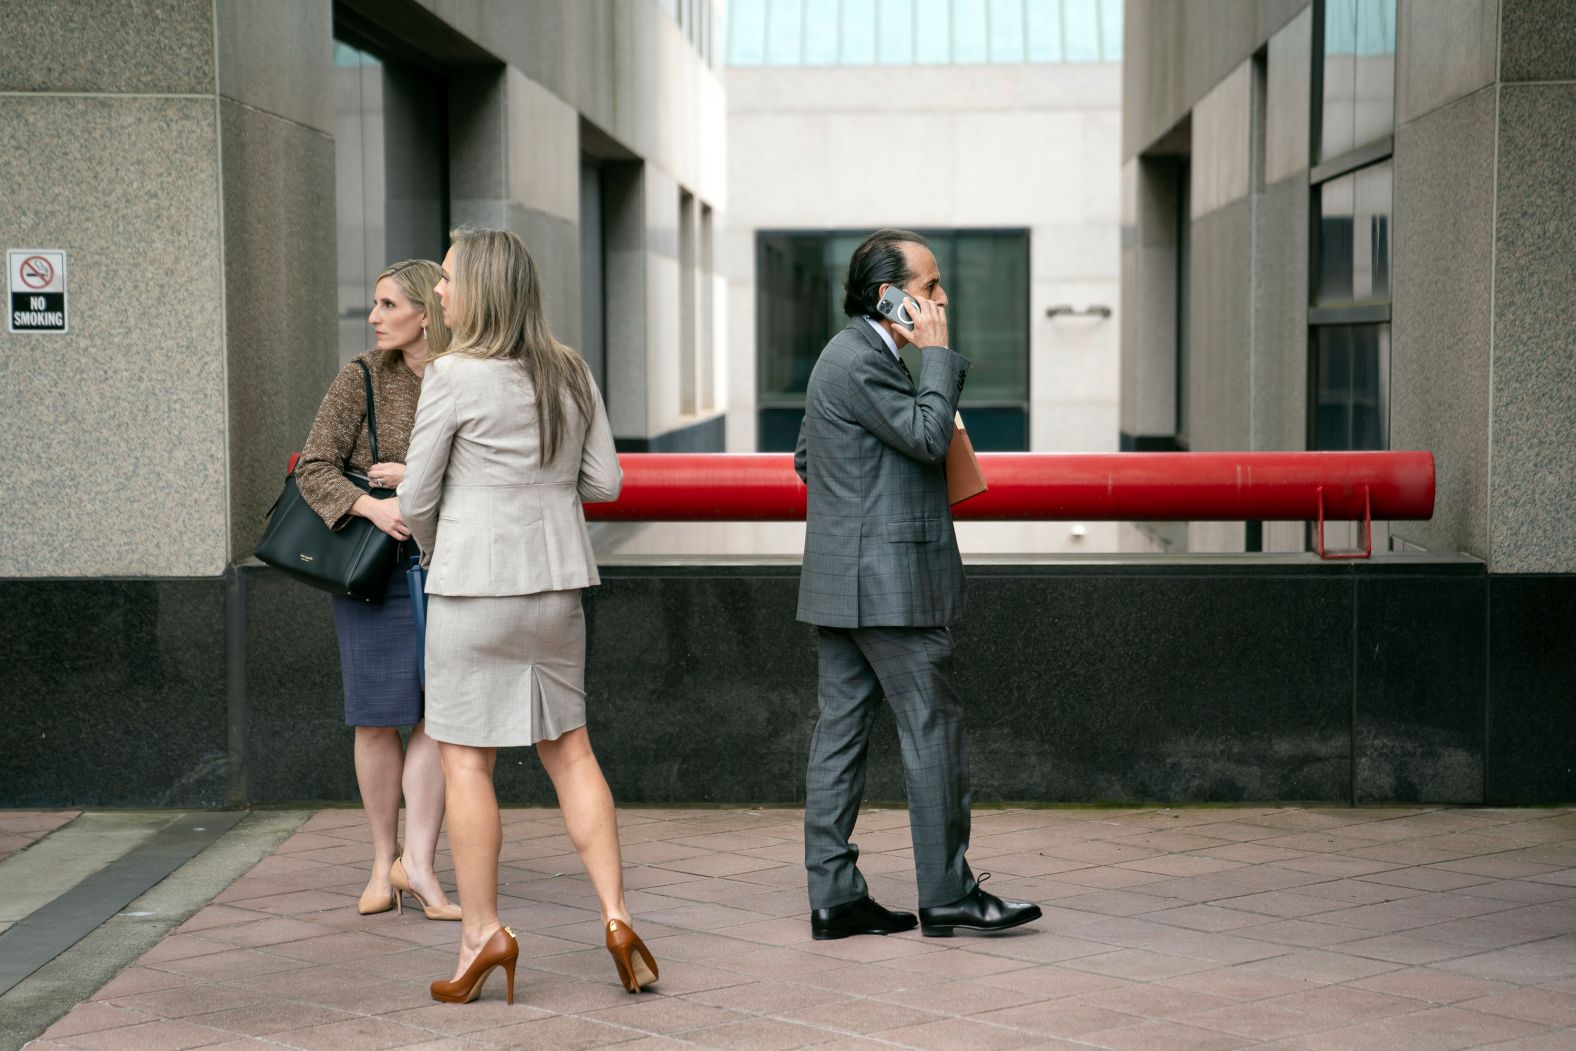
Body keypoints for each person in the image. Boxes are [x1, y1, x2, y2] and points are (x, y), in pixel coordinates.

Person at [400, 227, 656, 1005]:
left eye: (447, 280)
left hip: (473, 591)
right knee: (571, 752)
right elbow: (605, 482)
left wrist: (448, 549)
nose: (439, 291)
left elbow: (414, 499)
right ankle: (617, 917)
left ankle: (483, 932)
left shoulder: (450, 375)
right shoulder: (569, 369)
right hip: (556, 588)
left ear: (477, 288)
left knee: (466, 762)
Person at [794, 229, 1042, 939]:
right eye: (930, 288)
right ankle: (948, 893)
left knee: (841, 733)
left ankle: (836, 895)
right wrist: (935, 358)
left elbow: (809, 457)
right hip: (890, 585)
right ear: (889, 296)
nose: (941, 300)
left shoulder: (844, 356)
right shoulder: (866, 360)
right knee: (932, 729)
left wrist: (860, 513)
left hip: (849, 580)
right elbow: (929, 437)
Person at [296, 259, 461, 923]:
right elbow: (313, 467)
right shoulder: (361, 376)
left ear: (427, 311)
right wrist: (371, 505)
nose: (374, 315)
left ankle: (417, 863)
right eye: (374, 303)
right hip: (372, 570)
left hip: (449, 565)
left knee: (439, 714)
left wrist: (418, 476)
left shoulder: (465, 375)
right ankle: (380, 859)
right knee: (375, 714)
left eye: (389, 304)